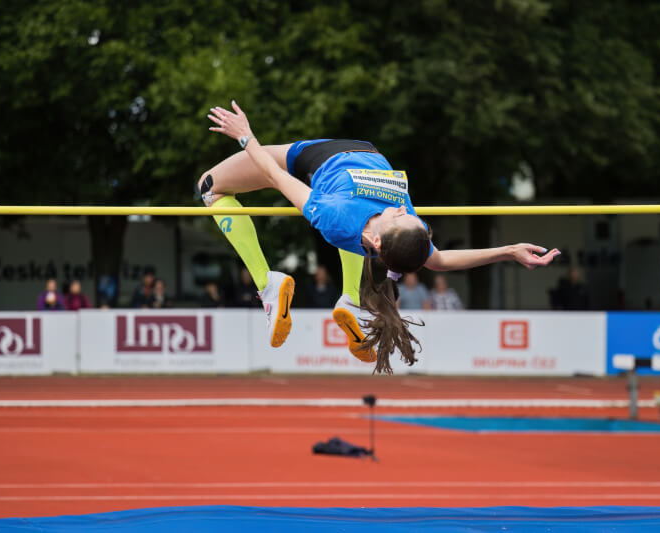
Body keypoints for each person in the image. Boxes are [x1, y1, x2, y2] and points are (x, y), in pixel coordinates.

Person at [200, 101, 560, 373]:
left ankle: (269, 284)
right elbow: (443, 261)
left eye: (400, 218)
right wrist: (509, 250)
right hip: (351, 182)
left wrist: (246, 136)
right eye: (409, 216)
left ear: (380, 242)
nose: (405, 210)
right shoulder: (403, 232)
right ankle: (349, 299)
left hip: (323, 158)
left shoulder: (334, 215)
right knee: (349, 233)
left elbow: (276, 177)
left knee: (210, 188)